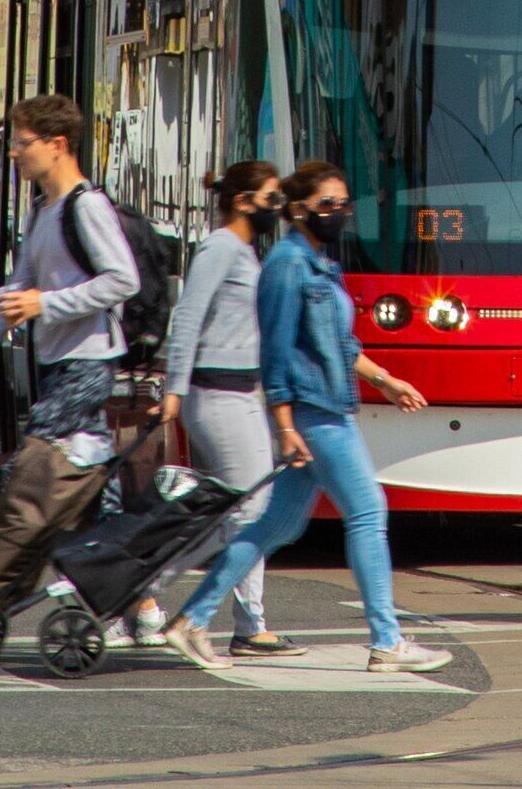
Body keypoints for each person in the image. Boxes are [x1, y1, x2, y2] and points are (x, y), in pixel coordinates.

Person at [159, 162, 449, 673]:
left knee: (274, 526)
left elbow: (339, 344)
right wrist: (285, 424)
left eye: (344, 205)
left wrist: (385, 379)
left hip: (326, 406)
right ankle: (387, 642)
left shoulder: (320, 263)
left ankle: (191, 620)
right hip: (314, 413)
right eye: (326, 205)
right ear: (298, 210)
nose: (337, 214)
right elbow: (276, 352)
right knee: (367, 511)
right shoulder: (288, 266)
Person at [0, 94, 141, 628]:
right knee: (86, 496)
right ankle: (140, 603)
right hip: (57, 362)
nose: (13, 153)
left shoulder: (86, 205)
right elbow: (17, 291)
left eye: (21, 143)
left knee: (28, 473)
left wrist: (48, 305)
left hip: (89, 363)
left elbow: (122, 279)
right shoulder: (41, 210)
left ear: (57, 145)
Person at [160, 160, 293, 658]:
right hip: (215, 395)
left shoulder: (244, 252)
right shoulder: (221, 247)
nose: (277, 210)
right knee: (251, 511)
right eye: (272, 199)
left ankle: (249, 622)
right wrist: (174, 388)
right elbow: (189, 314)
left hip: (241, 394)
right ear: (243, 201)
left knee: (246, 509)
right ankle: (175, 597)